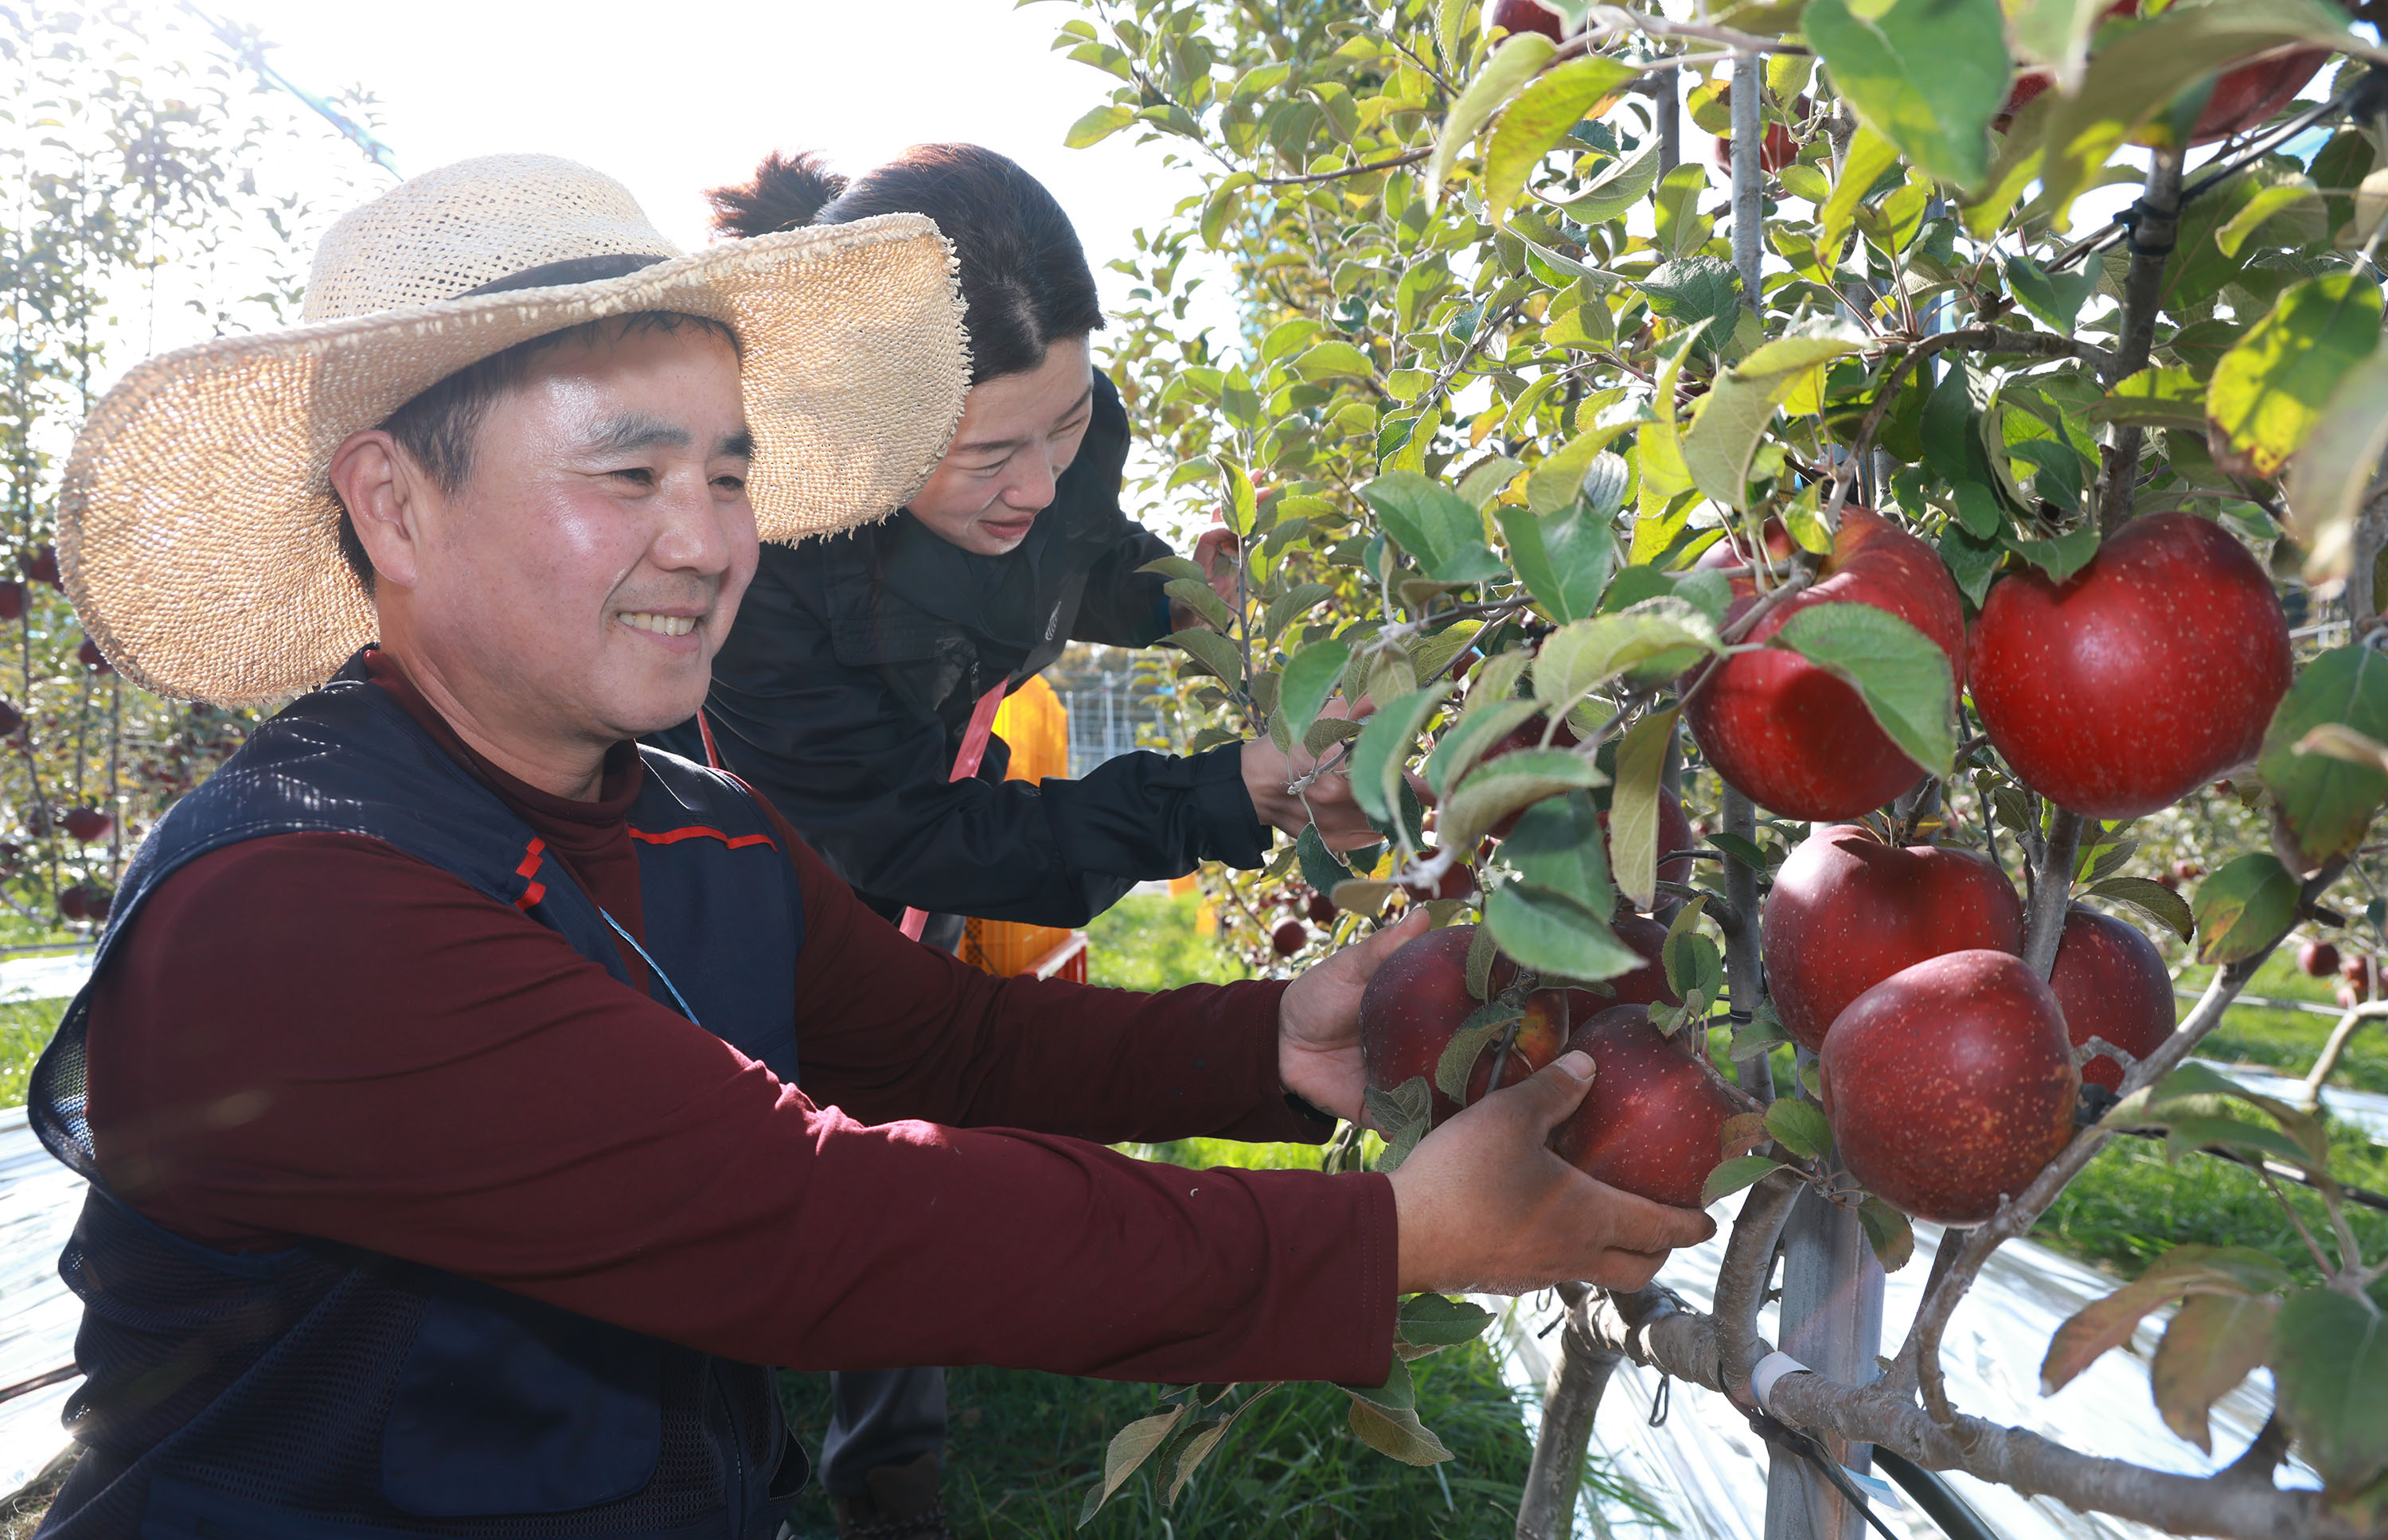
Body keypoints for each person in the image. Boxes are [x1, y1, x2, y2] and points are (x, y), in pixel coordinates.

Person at [28, 154, 1714, 1540]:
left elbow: (954, 1048)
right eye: (629, 474)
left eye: (728, 476)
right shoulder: (298, 904)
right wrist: (1381, 1242)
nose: (706, 544)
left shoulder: (705, 834)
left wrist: (1276, 1041)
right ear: (393, 506)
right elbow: (808, 1220)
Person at [656, 145, 1373, 950]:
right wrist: (1225, 793)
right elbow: (906, 834)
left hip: (939, 860)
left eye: (1067, 423)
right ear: (869, 436)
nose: (1039, 487)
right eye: (988, 455)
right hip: (775, 897)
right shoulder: (763, 571)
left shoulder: (1071, 438)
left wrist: (1170, 596)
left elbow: (1075, 549)